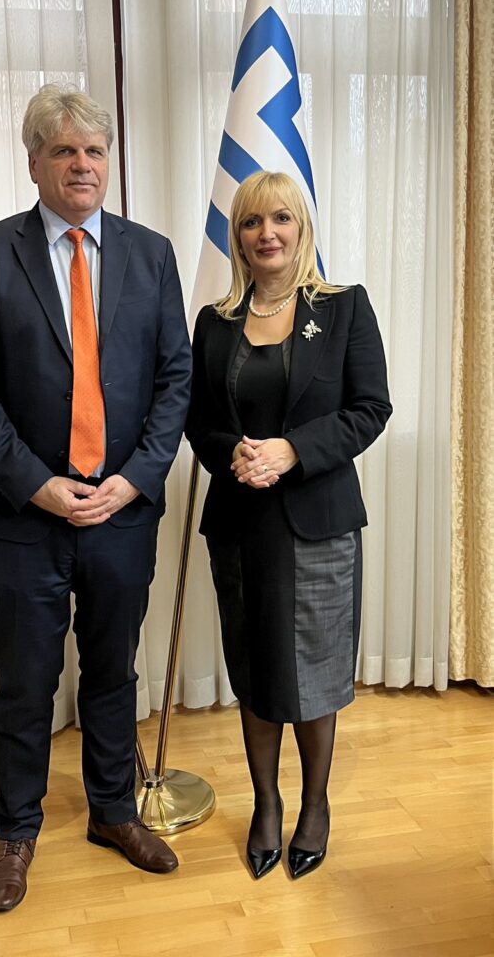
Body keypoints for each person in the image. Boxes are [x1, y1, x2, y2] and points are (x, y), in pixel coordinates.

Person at [0, 85, 192, 911]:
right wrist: (37, 485)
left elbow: (175, 378)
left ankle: (113, 812)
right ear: (34, 163)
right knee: (25, 679)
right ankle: (16, 830)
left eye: (94, 150)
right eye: (64, 151)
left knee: (113, 671)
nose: (82, 164)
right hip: (24, 516)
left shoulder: (150, 254)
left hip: (122, 510)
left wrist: (136, 477)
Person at [186, 171, 391, 881]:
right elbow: (198, 420)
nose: (266, 233)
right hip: (241, 521)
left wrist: (294, 450)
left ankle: (314, 804)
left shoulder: (342, 307)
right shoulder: (214, 321)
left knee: (315, 666)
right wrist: (234, 455)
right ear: (237, 236)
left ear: (301, 228)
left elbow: (370, 408)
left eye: (280, 219)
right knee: (255, 665)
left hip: (318, 523)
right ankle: (266, 803)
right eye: (251, 222)